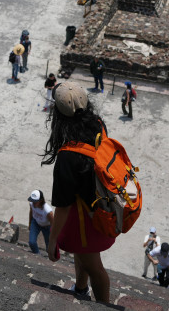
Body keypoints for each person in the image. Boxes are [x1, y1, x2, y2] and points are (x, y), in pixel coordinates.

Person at [43, 82, 115, 301]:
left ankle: (103, 305)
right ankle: (81, 289)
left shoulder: (68, 156)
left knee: (95, 267)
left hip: (87, 219)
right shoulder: (97, 124)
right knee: (82, 255)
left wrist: (52, 240)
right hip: (101, 205)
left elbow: (63, 207)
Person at [27, 190, 54, 254]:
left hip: (46, 226)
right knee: (32, 242)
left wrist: (53, 234)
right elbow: (31, 212)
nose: (33, 203)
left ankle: (49, 256)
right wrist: (30, 223)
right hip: (35, 223)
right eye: (32, 201)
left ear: (41, 200)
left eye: (35, 201)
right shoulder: (31, 204)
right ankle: (37, 254)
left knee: (49, 246)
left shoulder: (47, 211)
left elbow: (53, 223)